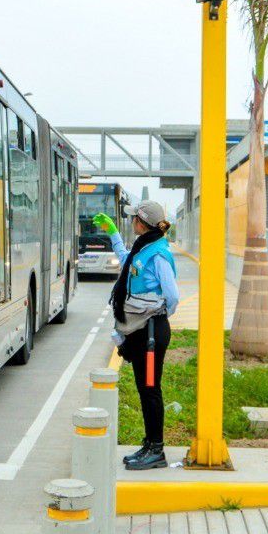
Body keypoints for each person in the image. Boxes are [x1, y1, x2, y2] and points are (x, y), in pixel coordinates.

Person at [93, 200, 179, 471]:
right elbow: (125, 258)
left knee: (151, 390)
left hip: (152, 332)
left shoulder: (158, 254)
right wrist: (112, 233)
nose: (131, 222)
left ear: (142, 223)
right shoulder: (143, 248)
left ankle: (157, 451)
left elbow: (173, 295)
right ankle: (149, 444)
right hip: (143, 331)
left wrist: (157, 313)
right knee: (144, 388)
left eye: (133, 219)